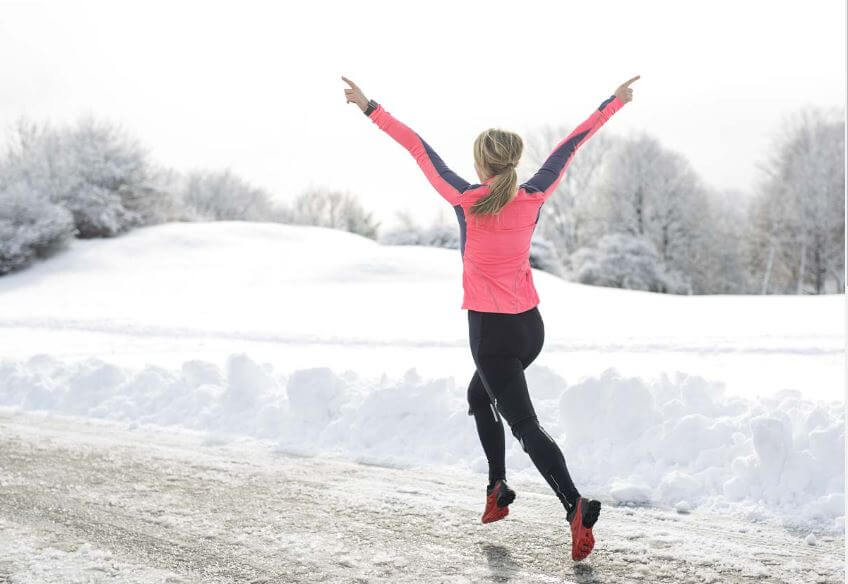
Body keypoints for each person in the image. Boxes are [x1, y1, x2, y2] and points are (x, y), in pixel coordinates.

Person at [342, 73, 638, 562]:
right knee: (480, 396)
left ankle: (575, 506)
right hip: (529, 329)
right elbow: (570, 147)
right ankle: (497, 488)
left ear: (481, 164)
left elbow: (419, 149)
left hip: (492, 334)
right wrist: (614, 103)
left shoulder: (466, 200)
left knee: (523, 423)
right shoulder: (534, 196)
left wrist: (369, 106)